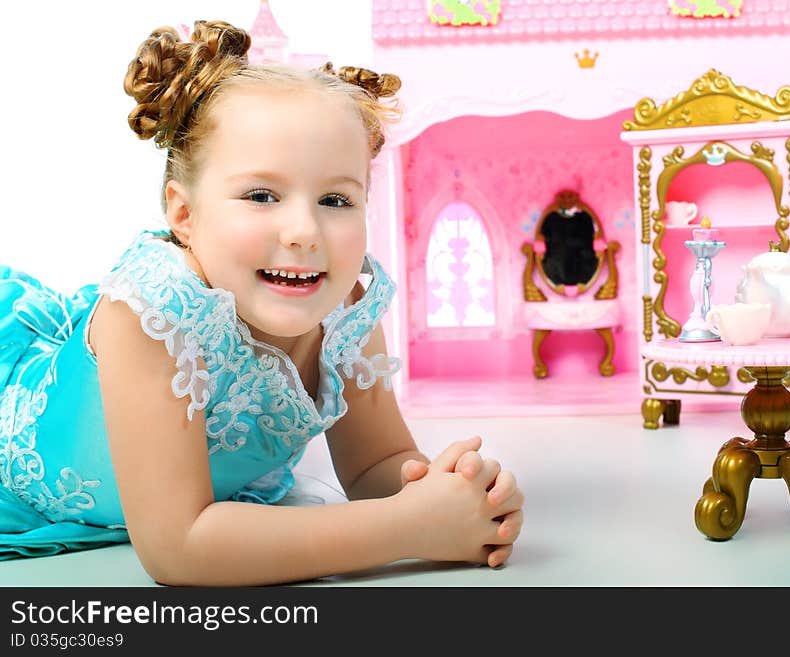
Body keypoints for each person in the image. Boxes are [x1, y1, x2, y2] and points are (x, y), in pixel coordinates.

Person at [0, 20, 524, 585]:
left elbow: (375, 465)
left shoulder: (344, 305)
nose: (304, 230)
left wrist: (452, 493)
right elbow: (178, 547)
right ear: (184, 215)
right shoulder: (151, 317)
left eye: (335, 198)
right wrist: (403, 528)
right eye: (261, 195)